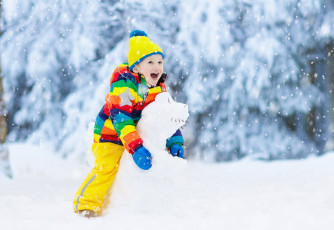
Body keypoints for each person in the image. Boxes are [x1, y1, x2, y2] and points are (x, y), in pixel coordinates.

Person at [73, 30, 185, 217]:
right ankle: (85, 205)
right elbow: (121, 118)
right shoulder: (124, 84)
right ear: (137, 67)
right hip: (109, 133)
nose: (156, 67)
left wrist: (175, 140)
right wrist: (136, 148)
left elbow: (163, 114)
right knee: (107, 167)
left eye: (159, 62)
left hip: (133, 134)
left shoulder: (158, 87)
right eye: (150, 62)